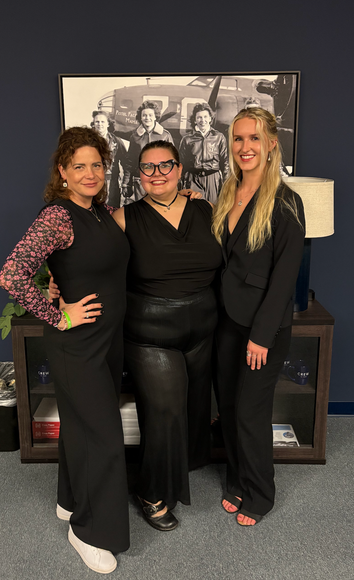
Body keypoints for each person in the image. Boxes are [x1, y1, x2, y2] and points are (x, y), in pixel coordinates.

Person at [0, 127, 130, 574]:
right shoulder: (57, 216)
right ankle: (88, 531)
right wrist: (58, 314)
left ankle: (69, 500)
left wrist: (183, 192)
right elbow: (12, 275)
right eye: (80, 166)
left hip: (107, 341)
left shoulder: (99, 212)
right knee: (106, 438)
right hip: (77, 345)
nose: (90, 173)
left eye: (97, 164)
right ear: (63, 172)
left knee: (80, 426)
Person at [112, 141, 222, 531]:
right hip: (149, 333)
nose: (157, 174)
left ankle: (181, 470)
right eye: (148, 168)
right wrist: (57, 282)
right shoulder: (124, 218)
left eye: (166, 165)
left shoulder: (204, 208)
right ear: (138, 174)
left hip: (202, 329)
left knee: (193, 408)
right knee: (165, 412)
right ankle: (152, 492)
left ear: (179, 168)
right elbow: (91, 258)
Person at [211, 107, 305, 526]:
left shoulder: (287, 202)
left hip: (261, 330)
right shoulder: (228, 191)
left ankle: (260, 494)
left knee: (251, 411)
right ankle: (237, 480)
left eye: (254, 138)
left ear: (270, 144)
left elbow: (284, 279)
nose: (245, 147)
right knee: (229, 407)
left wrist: (262, 336)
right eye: (238, 138)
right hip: (227, 321)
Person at [121, 101, 174, 205]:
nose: (147, 118)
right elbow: (129, 162)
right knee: (142, 212)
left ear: (155, 117)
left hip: (160, 180)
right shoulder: (135, 137)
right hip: (140, 181)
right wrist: (126, 183)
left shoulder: (165, 136)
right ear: (140, 118)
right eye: (144, 115)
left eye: (150, 115)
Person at [179, 103, 229, 204]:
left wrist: (227, 183)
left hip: (213, 179)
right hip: (193, 180)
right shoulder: (187, 139)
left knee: (212, 211)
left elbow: (225, 162)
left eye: (205, 117)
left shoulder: (219, 137)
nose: (203, 120)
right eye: (199, 117)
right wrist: (180, 185)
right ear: (195, 120)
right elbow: (180, 163)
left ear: (210, 118)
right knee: (195, 211)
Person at [91, 110, 128, 207]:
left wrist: (126, 183)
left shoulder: (116, 141)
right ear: (93, 123)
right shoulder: (87, 142)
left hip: (112, 183)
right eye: (97, 122)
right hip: (93, 181)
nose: (100, 124)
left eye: (102, 122)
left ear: (108, 124)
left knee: (113, 212)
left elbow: (126, 163)